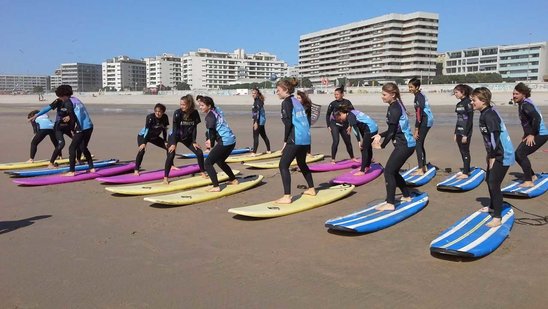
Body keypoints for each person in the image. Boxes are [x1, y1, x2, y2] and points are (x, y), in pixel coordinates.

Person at [471, 87, 515, 228]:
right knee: (489, 180)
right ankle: (491, 206)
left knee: (494, 183)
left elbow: (494, 138)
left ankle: (497, 217)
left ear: (483, 101)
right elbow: (489, 139)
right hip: (495, 153)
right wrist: (489, 155)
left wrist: (493, 156)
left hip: (502, 154)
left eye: (474, 100)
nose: (472, 102)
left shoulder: (489, 115)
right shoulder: (485, 113)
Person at [372, 83, 416, 211]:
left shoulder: (394, 108)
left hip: (405, 145)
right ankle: (406, 196)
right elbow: (394, 128)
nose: (382, 97)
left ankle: (390, 203)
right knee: (394, 171)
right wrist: (380, 135)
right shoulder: (394, 106)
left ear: (393, 94)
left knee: (389, 171)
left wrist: (382, 145)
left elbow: (392, 132)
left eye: (384, 94)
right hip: (406, 144)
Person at [276, 77, 315, 204]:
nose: (277, 92)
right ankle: (311, 189)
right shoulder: (296, 101)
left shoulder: (286, 102)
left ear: (285, 90)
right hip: (305, 137)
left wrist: (285, 142)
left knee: (283, 165)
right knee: (302, 163)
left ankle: (287, 196)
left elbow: (288, 124)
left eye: (278, 90)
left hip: (296, 137)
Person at [29, 85, 79, 169]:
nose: (60, 98)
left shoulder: (73, 101)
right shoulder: (58, 101)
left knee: (78, 141)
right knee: (61, 144)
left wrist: (70, 118)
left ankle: (79, 159)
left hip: (69, 126)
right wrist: (36, 115)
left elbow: (77, 113)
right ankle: (51, 163)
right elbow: (47, 108)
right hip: (59, 126)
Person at [198, 96, 239, 192]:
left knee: (208, 163)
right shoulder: (217, 110)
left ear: (209, 106)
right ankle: (234, 180)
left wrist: (210, 143)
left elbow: (211, 132)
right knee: (220, 161)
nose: (200, 107)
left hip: (225, 141)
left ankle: (216, 186)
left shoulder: (209, 117)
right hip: (231, 140)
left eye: (202, 105)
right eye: (200, 105)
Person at [164, 95, 206, 184]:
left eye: (183, 104)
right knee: (171, 155)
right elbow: (175, 129)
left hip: (187, 137)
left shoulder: (194, 113)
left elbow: (194, 128)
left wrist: (194, 141)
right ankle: (165, 178)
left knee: (199, 152)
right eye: (180, 104)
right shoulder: (177, 113)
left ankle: (202, 172)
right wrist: (173, 143)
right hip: (175, 135)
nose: (181, 106)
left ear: (189, 104)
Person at [512, 82, 548, 187]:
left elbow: (536, 118)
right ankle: (531, 176)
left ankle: (529, 181)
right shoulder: (523, 104)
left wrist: (532, 134)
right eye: (513, 94)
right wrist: (526, 134)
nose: (514, 96)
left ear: (524, 94)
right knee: (517, 155)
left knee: (520, 154)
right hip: (535, 133)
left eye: (517, 94)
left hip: (540, 134)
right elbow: (528, 121)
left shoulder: (526, 105)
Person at [335, 103, 378, 175]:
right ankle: (367, 166)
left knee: (364, 149)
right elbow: (362, 126)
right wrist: (363, 139)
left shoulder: (350, 117)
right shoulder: (352, 112)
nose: (341, 121)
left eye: (340, 119)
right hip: (373, 128)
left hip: (370, 129)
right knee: (368, 148)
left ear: (341, 113)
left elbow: (356, 130)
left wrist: (359, 141)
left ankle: (362, 170)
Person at [134, 103, 169, 175]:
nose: (157, 113)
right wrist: (144, 143)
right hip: (143, 136)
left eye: (159, 111)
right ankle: (136, 170)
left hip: (154, 137)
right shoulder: (150, 117)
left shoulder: (165, 117)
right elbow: (147, 131)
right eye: (156, 111)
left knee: (169, 147)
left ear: (163, 112)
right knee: (142, 150)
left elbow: (164, 130)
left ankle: (171, 165)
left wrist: (165, 140)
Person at [64, 92, 94, 176]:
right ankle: (92, 168)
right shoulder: (76, 100)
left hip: (81, 127)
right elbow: (78, 112)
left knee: (72, 148)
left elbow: (73, 117)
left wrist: (71, 129)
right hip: (89, 126)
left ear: (63, 96)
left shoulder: (68, 102)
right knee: (83, 147)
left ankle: (71, 171)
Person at [408, 77, 434, 175]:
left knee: (418, 143)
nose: (410, 89)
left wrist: (416, 129)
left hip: (425, 120)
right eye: (409, 87)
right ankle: (424, 166)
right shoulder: (419, 95)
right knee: (420, 143)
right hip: (426, 119)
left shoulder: (419, 96)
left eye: (411, 87)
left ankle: (421, 169)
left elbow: (420, 114)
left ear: (417, 87)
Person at [325, 85, 356, 163]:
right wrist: (328, 125)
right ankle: (333, 159)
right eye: (335, 94)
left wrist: (350, 125)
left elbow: (352, 113)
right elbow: (328, 114)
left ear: (342, 94)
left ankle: (352, 157)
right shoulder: (332, 104)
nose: (336, 96)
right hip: (334, 124)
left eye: (337, 94)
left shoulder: (347, 102)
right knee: (336, 141)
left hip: (344, 125)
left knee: (348, 142)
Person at [453, 84, 474, 179]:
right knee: (461, 151)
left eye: (456, 92)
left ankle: (466, 172)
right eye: (454, 93)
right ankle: (466, 169)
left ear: (463, 92)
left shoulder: (468, 103)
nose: (455, 94)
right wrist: (455, 132)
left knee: (465, 151)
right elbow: (458, 119)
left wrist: (466, 134)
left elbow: (470, 120)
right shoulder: (458, 104)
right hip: (459, 131)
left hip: (466, 132)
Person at [250, 88, 271, 156]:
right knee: (263, 135)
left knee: (255, 136)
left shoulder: (258, 101)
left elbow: (258, 112)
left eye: (254, 93)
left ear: (257, 94)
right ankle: (268, 150)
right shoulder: (258, 100)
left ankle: (254, 152)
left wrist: (256, 122)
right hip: (261, 121)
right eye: (252, 93)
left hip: (258, 121)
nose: (253, 95)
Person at [296, 90, 313, 155]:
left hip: (306, 124)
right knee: (298, 139)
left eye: (299, 98)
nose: (298, 99)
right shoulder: (296, 105)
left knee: (306, 138)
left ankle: (308, 152)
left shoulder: (307, 106)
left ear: (303, 99)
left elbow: (305, 114)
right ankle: (299, 152)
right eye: (297, 98)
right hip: (298, 124)